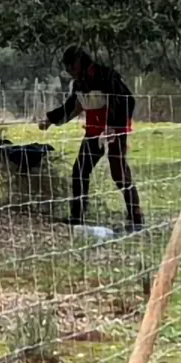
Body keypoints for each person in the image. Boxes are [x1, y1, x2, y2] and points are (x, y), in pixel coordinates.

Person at [41, 47, 143, 230]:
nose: (69, 72)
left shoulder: (107, 76)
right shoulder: (80, 83)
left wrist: (113, 127)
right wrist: (50, 119)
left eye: (71, 67)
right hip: (94, 131)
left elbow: (128, 101)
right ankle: (77, 216)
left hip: (115, 131)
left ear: (79, 63)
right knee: (79, 171)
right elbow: (73, 105)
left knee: (119, 174)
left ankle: (136, 217)